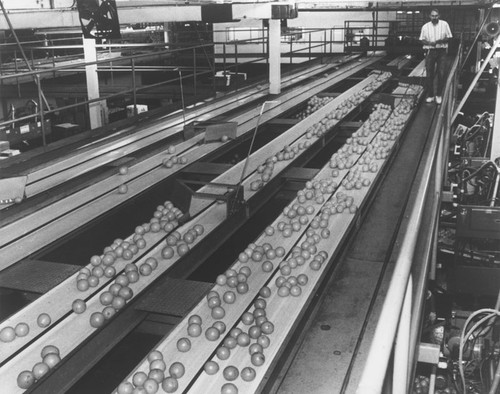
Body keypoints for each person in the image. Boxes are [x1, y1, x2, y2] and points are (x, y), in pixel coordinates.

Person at [419, 9, 452, 104]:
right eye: (433, 16)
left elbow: (449, 37)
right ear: (430, 16)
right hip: (430, 51)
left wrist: (438, 41)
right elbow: (422, 39)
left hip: (441, 51)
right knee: (429, 74)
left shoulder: (444, 24)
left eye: (436, 15)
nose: (434, 17)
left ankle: (438, 95)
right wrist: (429, 43)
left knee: (441, 73)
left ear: (439, 15)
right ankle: (430, 95)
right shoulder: (425, 27)